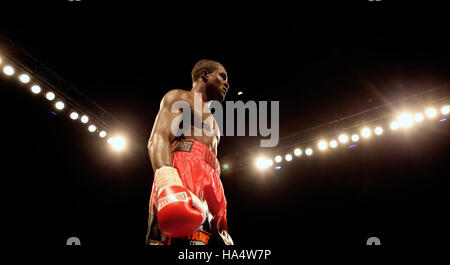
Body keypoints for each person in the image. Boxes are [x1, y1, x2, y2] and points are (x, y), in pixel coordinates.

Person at [145, 59, 233, 245]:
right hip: (186, 169)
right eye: (222, 76)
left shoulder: (214, 122)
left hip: (212, 181)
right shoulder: (180, 98)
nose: (227, 83)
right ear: (205, 75)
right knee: (177, 238)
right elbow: (158, 138)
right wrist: (168, 183)